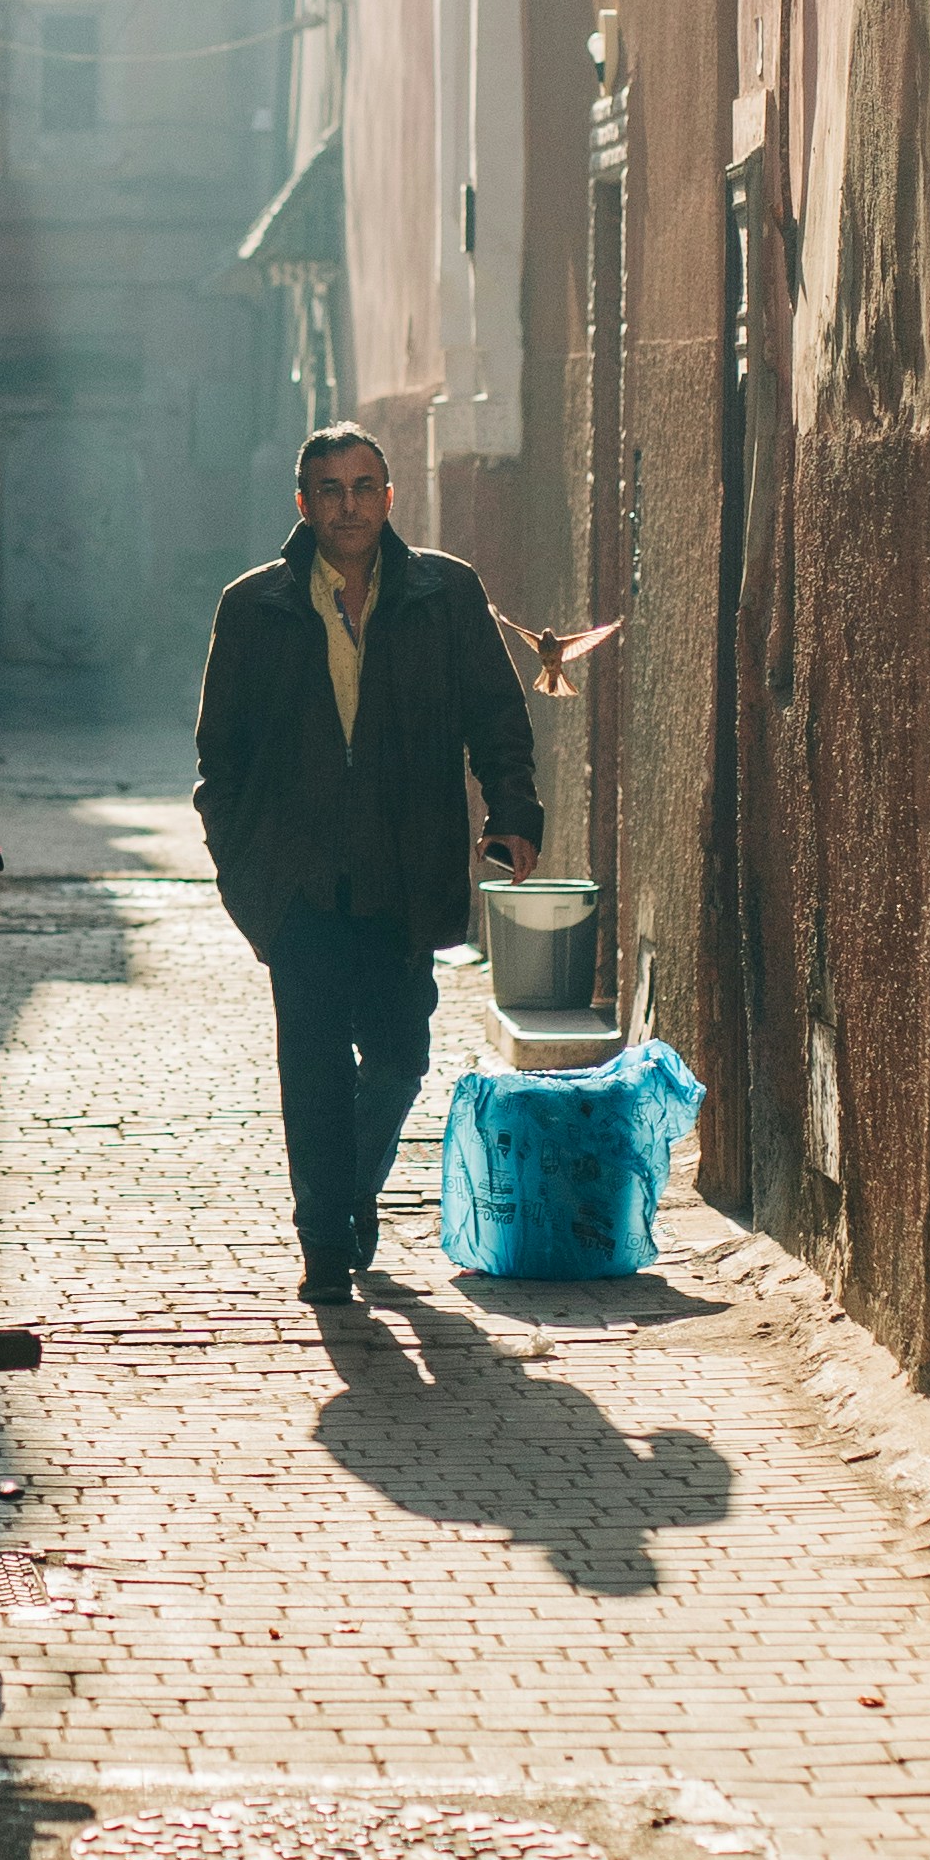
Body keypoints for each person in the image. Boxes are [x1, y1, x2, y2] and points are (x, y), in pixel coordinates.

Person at [193, 423, 544, 1305]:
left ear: (388, 498)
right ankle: (322, 1243)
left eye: (361, 487)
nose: (345, 506)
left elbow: (494, 716)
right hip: (295, 882)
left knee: (398, 1056)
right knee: (308, 1066)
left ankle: (350, 1194)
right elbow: (219, 762)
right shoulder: (253, 607)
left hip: (401, 870)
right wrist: (242, 877)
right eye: (327, 489)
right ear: (302, 503)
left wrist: (512, 813)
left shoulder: (444, 593)